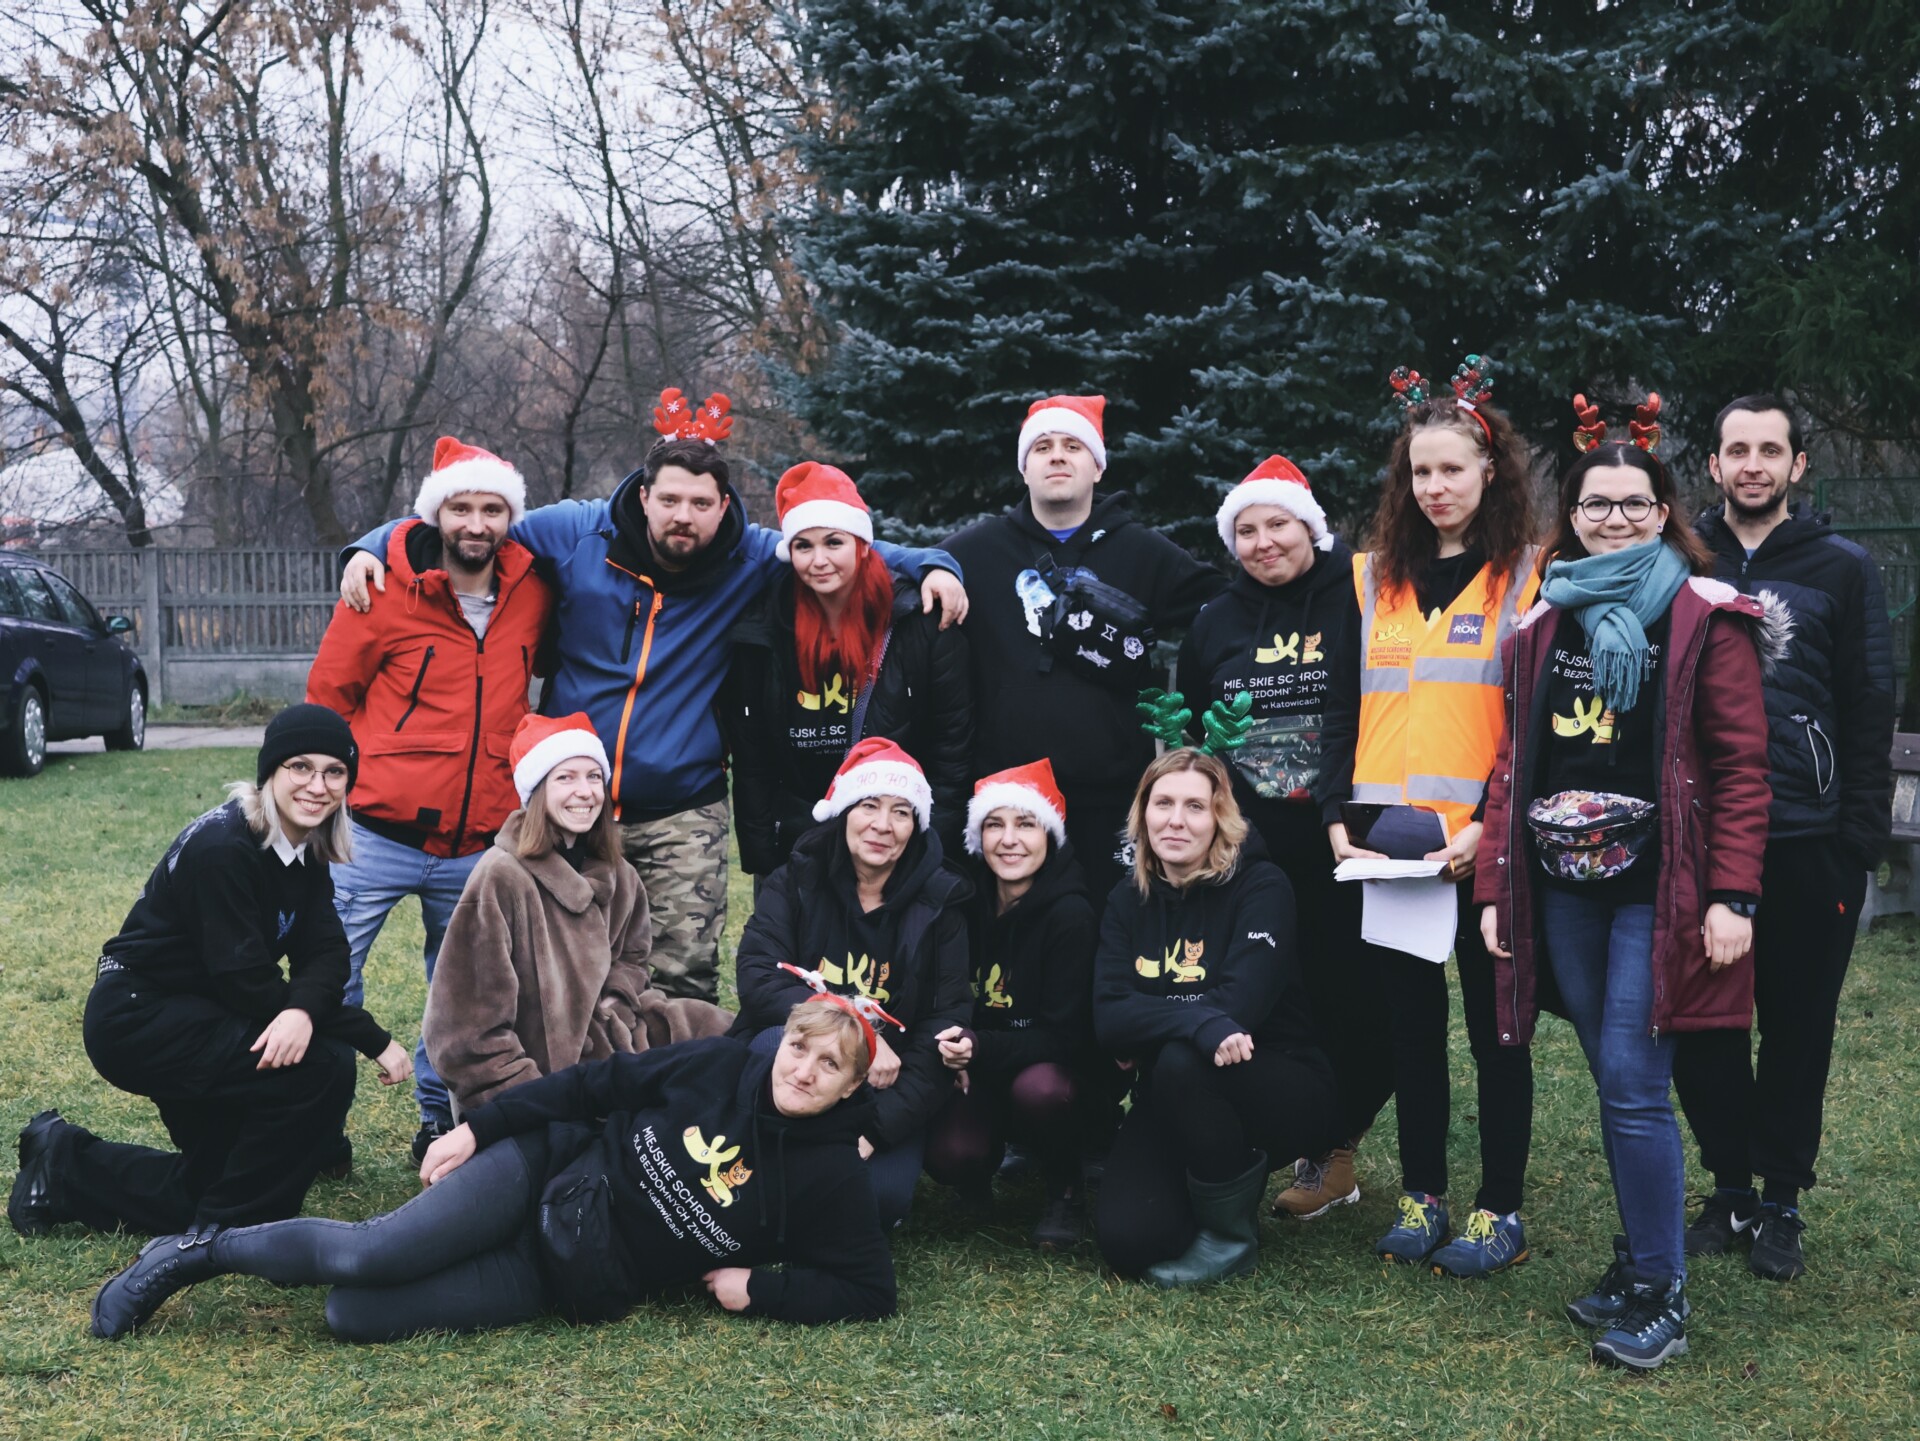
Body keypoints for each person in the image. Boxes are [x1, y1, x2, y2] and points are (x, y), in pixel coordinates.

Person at [336, 389, 967, 1003]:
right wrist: (373, 545)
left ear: (724, 506)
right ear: (644, 496)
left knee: (679, 979)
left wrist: (936, 562)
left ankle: (669, 1104)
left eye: (699, 502)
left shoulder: (751, 557)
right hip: (568, 801)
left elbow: (840, 545)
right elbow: (473, 523)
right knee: (550, 975)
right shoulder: (578, 532)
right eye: (667, 498)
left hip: (680, 807)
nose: (682, 516)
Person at [1478, 415, 1774, 1370]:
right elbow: (1511, 762)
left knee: (1637, 1083)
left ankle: (1661, 1290)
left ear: (1662, 512)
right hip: (1565, 884)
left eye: (1633, 502)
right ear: (1569, 514)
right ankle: (1639, 1258)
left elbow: (1738, 767)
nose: (1614, 516)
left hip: (1665, 885)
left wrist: (1734, 894)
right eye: (1595, 502)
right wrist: (1495, 885)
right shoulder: (1543, 619)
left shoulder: (1703, 616)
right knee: (1615, 1080)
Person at [87, 1000, 897, 1340]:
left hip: (562, 1273)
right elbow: (592, 1083)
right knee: (372, 1252)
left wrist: (760, 1290)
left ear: (852, 1084)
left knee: (350, 1316)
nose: (803, 1070)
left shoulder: (830, 1178)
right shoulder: (722, 1065)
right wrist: (480, 1132)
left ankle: (262, 1257)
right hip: (546, 1169)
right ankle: (193, 1253)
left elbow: (870, 1290)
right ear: (781, 1039)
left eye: (830, 1065)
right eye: (800, 1046)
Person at [8, 706, 412, 1244]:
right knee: (322, 1066)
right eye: (300, 767)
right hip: (141, 1016)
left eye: (334, 771)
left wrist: (301, 1009)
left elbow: (327, 953)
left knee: (212, 1182)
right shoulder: (225, 848)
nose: (318, 786)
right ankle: (237, 1231)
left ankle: (63, 1165)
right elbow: (244, 979)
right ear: (271, 771)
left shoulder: (303, 843)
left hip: (206, 1009)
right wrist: (368, 1037)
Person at [1671, 394, 1895, 1280]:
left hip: (1809, 838)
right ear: (1715, 466)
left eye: (1771, 449)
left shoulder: (1842, 567)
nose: (1753, 463)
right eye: (1737, 449)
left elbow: (1871, 704)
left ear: (1799, 465)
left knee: (1798, 1026)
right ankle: (1728, 1186)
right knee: (1704, 1025)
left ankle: (1781, 1201)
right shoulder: (1679, 558)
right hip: (1702, 837)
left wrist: (1857, 842)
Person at [1340, 359, 1542, 1276]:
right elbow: (1356, 711)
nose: (1435, 488)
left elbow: (1536, 727)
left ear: (1488, 470)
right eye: (1420, 472)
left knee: (1498, 1033)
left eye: (1452, 469)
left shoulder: (1528, 576)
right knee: (1409, 1029)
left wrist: (1487, 831)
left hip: (1482, 847)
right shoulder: (1374, 577)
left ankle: (1501, 1208)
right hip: (1391, 850)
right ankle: (1423, 1195)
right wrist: (1346, 824)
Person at [306, 437, 553, 1160]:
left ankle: (440, 1123)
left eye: (493, 508)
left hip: (479, 841)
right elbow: (328, 697)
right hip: (374, 835)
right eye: (462, 506)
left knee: (466, 999)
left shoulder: (535, 590)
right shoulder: (381, 586)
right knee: (327, 981)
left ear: (511, 516)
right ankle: (313, 1127)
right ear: (435, 513)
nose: (476, 523)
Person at [1173, 456, 1373, 1221]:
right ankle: (1265, 1132)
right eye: (1245, 530)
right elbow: (1190, 725)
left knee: (1350, 994)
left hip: (1341, 839)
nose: (1263, 542)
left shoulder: (1357, 596)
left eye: (1278, 524)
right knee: (1266, 993)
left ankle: (1336, 1145)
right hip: (1245, 852)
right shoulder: (1216, 619)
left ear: (1311, 527)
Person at [942, 394, 1226, 901]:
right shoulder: (970, 553)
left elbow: (1227, 610)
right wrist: (928, 572)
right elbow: (897, 587)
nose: (1057, 456)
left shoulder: (1144, 551)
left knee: (1106, 933)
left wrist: (1194, 711)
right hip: (1006, 797)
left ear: (1097, 466)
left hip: (1111, 795)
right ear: (1024, 469)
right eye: (1043, 447)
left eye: (1073, 446)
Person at [1091, 749, 1338, 1288]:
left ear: (1221, 819)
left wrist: (1162, 1023)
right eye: (1162, 803)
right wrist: (1199, 1022)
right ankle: (1204, 1179)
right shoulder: (1125, 900)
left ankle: (1231, 1238)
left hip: (1280, 1085)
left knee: (1182, 1060)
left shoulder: (1262, 887)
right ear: (1142, 814)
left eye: (1195, 807)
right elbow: (1109, 1016)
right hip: (1175, 1091)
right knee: (1128, 1240)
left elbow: (1239, 1006)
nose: (1175, 820)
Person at [420, 714, 731, 1116]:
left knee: (731, 1036)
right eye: (565, 778)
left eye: (592, 777)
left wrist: (615, 1007)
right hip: (530, 1091)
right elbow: (463, 1030)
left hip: (609, 1058)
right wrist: (534, 1102)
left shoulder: (620, 875)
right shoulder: (501, 877)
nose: (584, 792)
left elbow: (632, 960)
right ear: (537, 790)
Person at [732, 738, 972, 1228]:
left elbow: (944, 1025)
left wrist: (876, 1133)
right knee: (771, 1041)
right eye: (869, 806)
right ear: (844, 811)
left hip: (882, 1087)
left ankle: (805, 1176)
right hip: (797, 1061)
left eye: (901, 812)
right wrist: (858, 1030)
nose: (883, 825)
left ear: (916, 826)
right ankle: (772, 1168)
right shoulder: (795, 878)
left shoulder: (942, 903)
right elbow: (758, 975)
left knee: (880, 1200)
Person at [724, 461, 973, 874]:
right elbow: (753, 755)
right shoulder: (765, 626)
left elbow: (953, 745)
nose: (818, 560)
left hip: (895, 834)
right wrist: (762, 853)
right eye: (803, 546)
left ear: (861, 544)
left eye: (833, 542)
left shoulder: (917, 619)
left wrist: (937, 846)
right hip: (801, 835)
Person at [925, 760, 1098, 1249]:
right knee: (950, 1154)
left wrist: (979, 1046)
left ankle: (1065, 1188)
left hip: (1055, 1073)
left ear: (1050, 834)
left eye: (1026, 823)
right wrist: (955, 1043)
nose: (1009, 839)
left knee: (1042, 1090)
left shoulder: (1072, 913)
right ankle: (978, 1173)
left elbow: (1066, 1038)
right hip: (976, 1066)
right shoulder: (963, 901)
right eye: (994, 825)